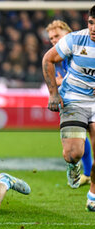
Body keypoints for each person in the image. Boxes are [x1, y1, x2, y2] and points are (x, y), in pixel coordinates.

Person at [42, 5, 95, 211]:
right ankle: (73, 165)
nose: (93, 28)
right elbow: (48, 59)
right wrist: (54, 93)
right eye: (91, 23)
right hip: (74, 99)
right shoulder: (75, 40)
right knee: (74, 152)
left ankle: (92, 194)